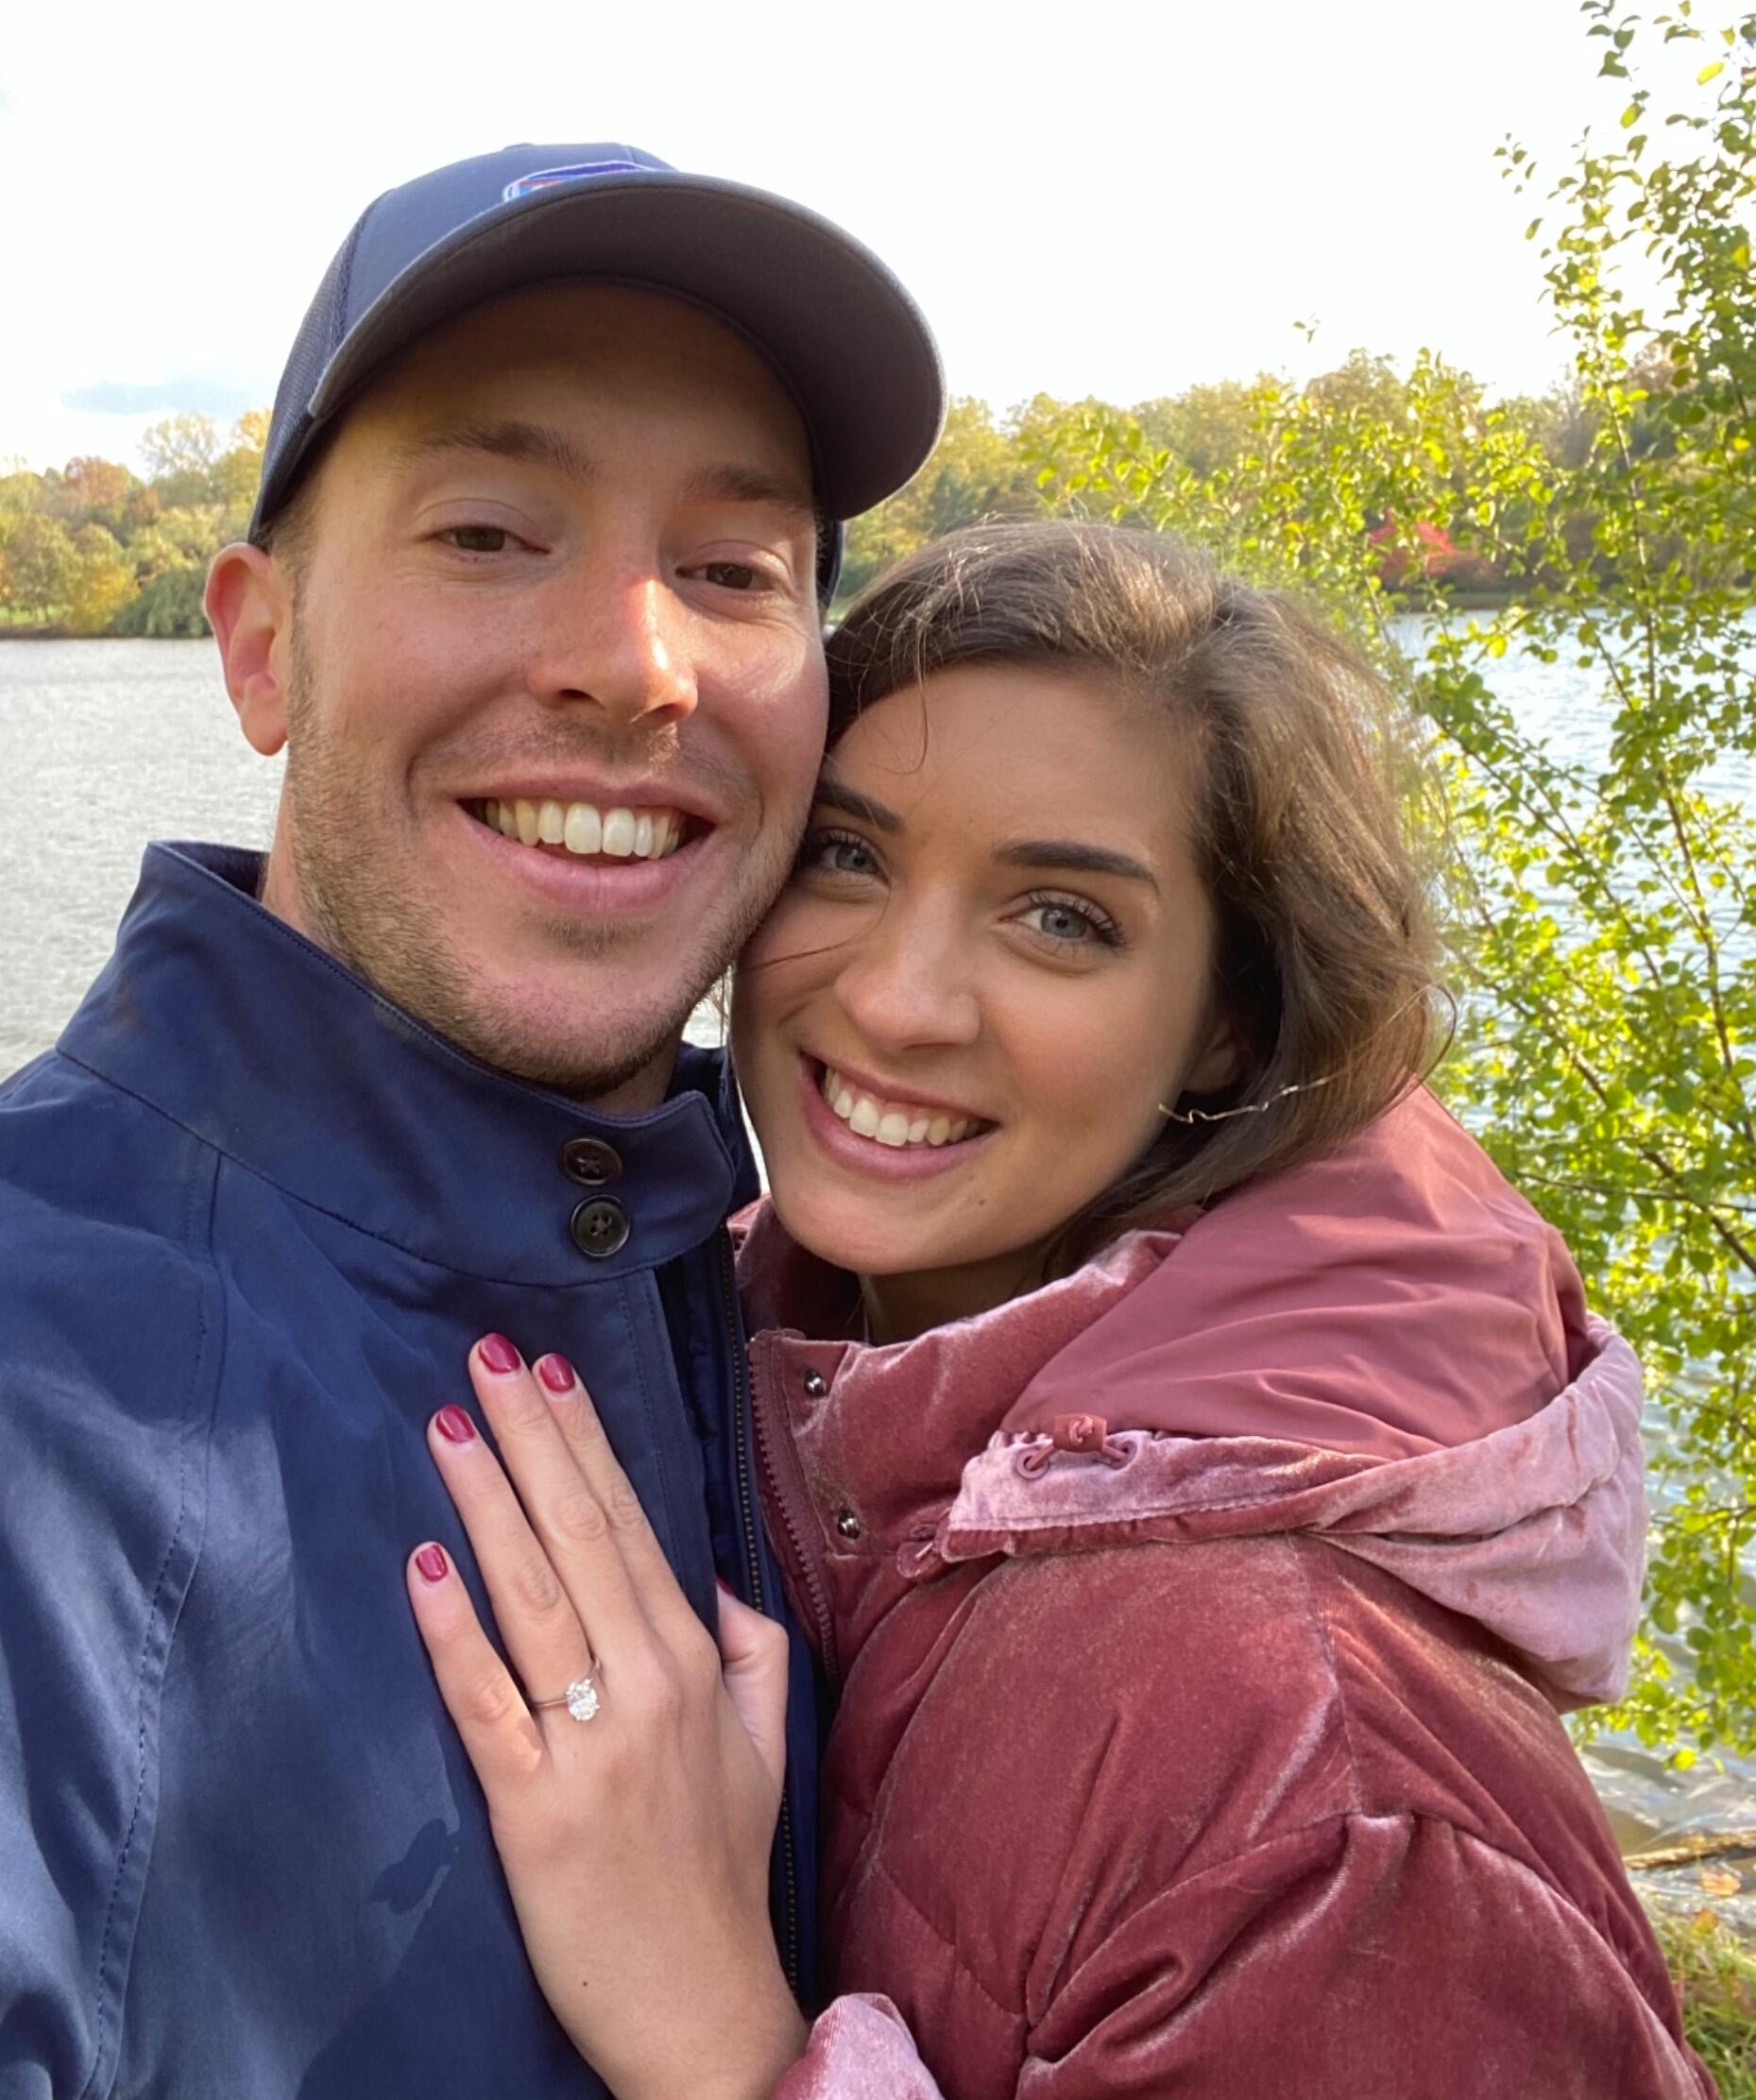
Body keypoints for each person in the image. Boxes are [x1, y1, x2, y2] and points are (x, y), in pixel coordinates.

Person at [411, 521, 1715, 2099]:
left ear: (1226, 1033)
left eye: (1064, 920)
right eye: (849, 852)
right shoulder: (778, 1356)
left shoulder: (1321, 1782)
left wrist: (720, 2050)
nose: (898, 998)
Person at [0, 144, 944, 2097]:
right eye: (491, 530)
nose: (632, 655)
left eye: (732, 569)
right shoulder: (32, 1407)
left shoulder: (811, 1308)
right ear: (262, 646)